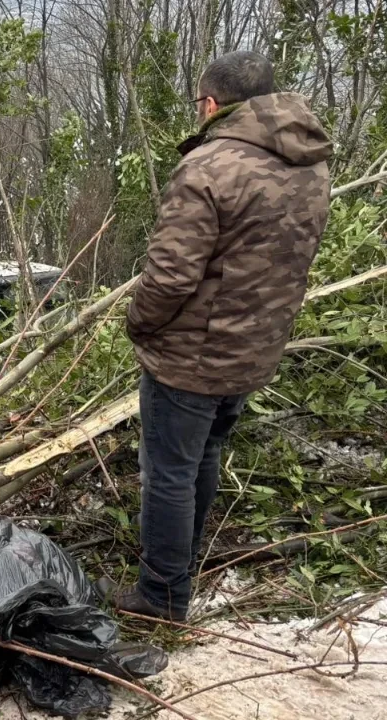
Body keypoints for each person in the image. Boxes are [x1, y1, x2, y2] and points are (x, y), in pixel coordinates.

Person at [112, 51, 333, 621]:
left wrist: (138, 323)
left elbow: (169, 276)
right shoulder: (310, 164)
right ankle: (184, 563)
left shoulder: (208, 168)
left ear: (211, 104)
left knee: (169, 473)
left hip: (191, 356)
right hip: (255, 349)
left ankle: (161, 597)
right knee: (204, 454)